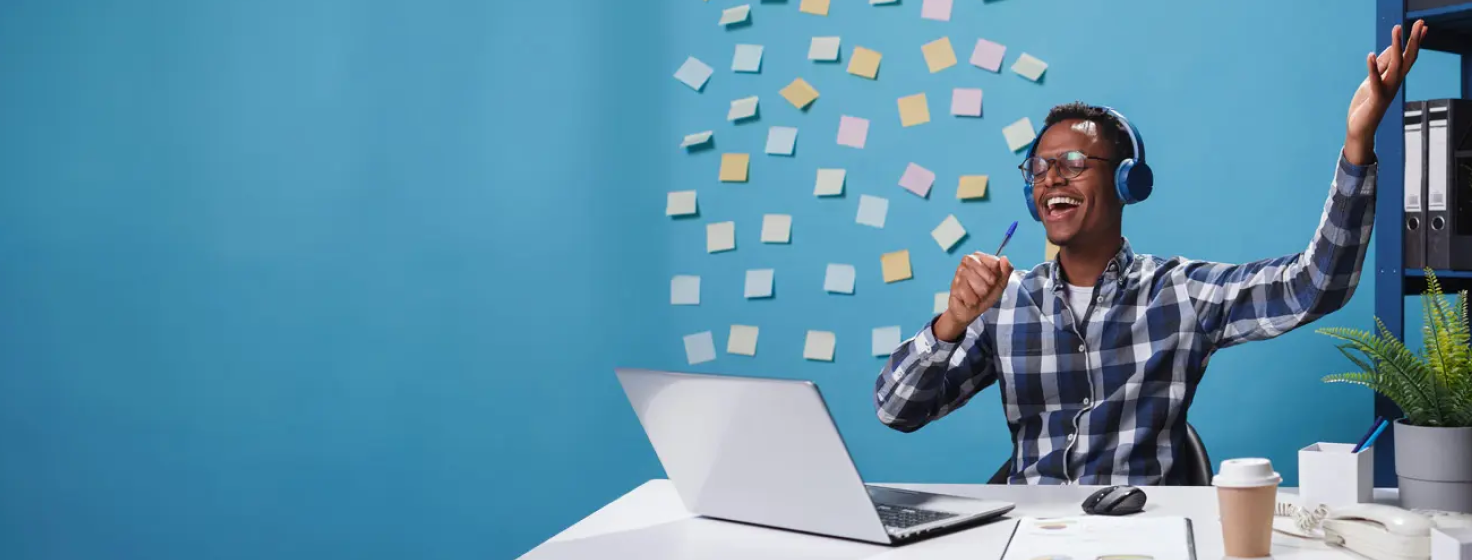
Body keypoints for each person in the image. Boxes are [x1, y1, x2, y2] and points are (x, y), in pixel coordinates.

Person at [873, 21, 1428, 485]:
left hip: (1142, 532)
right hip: (1028, 534)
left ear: (1127, 182)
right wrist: (950, 324)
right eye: (1039, 169)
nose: (1050, 179)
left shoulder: (1180, 293)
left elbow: (1316, 285)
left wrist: (1358, 146)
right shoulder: (1005, 301)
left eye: (1071, 163)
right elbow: (897, 412)